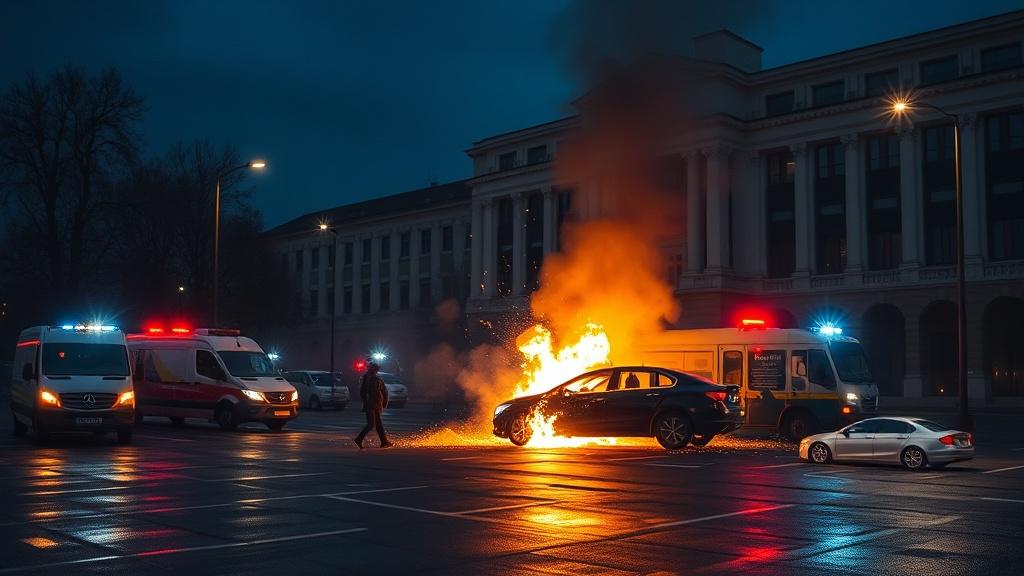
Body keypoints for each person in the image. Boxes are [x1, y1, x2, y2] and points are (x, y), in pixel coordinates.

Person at [354, 361, 391, 449]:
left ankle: (384, 441)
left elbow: (384, 391)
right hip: (370, 404)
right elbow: (363, 392)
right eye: (375, 368)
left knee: (378, 424)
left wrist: (384, 402)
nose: (376, 370)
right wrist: (366, 402)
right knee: (371, 424)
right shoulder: (367, 378)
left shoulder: (377, 378)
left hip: (376, 404)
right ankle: (359, 439)